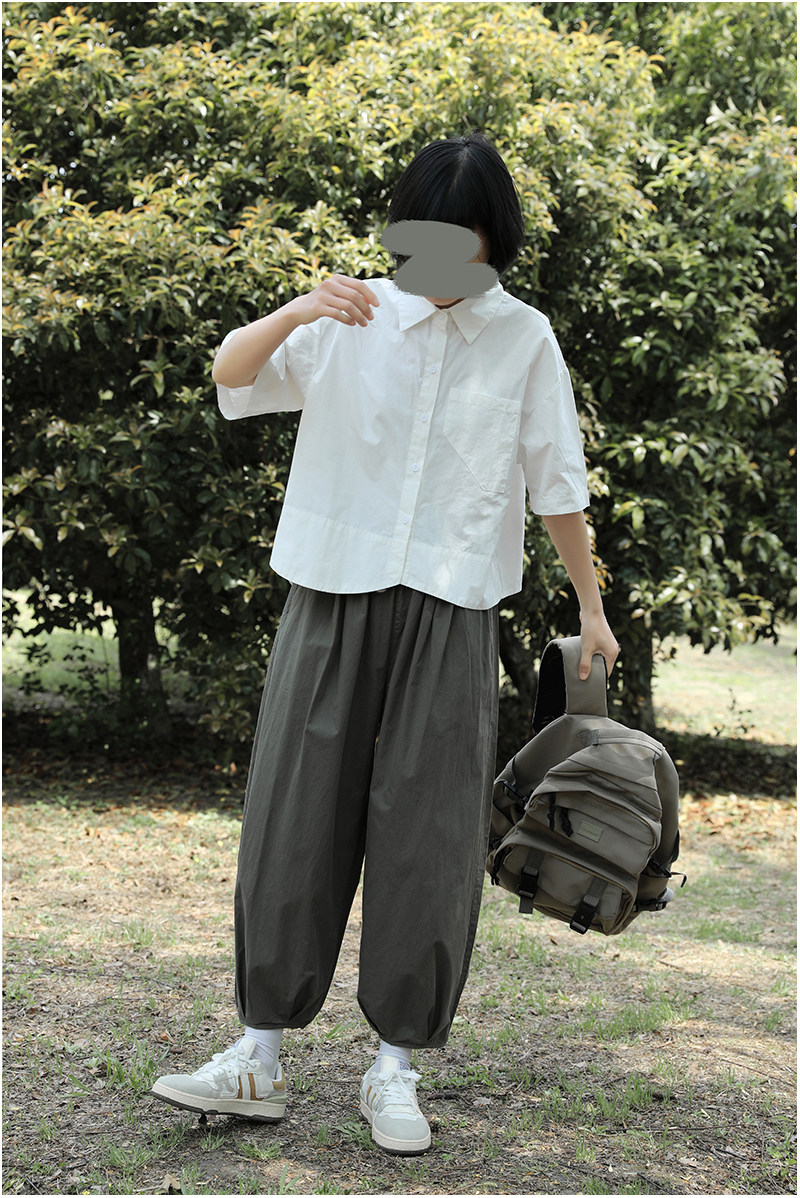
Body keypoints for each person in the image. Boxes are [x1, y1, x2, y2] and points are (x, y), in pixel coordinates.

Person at [151, 132, 618, 1156]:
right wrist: (295, 310)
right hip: (330, 593)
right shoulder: (347, 312)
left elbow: (557, 481)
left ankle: (395, 1065)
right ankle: (258, 1051)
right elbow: (230, 374)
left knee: (430, 835)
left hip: (453, 609)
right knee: (292, 816)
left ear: (495, 246)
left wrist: (591, 608)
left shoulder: (523, 337)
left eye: (468, 247)